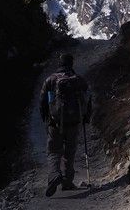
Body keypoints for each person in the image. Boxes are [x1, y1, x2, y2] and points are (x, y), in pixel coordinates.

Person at [40, 52, 92, 197]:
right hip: (74, 122)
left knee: (53, 151)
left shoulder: (51, 80)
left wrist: (45, 117)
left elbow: (42, 100)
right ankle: (67, 182)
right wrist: (86, 116)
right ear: (71, 64)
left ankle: (54, 176)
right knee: (69, 152)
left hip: (55, 123)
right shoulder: (79, 80)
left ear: (59, 64)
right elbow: (88, 98)